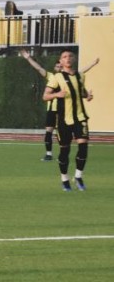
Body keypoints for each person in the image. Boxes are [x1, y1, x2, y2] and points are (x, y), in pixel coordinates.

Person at [21, 49, 99, 161]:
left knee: (65, 136)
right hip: (52, 110)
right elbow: (39, 68)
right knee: (48, 131)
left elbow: (77, 87)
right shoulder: (52, 76)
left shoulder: (70, 76)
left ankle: (63, 155)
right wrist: (28, 58)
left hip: (65, 111)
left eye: (60, 67)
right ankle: (49, 153)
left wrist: (87, 95)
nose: (59, 68)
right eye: (57, 67)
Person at [42, 49, 93, 191]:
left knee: (83, 146)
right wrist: (57, 94)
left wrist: (87, 96)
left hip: (81, 117)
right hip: (64, 120)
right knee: (65, 150)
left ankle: (78, 176)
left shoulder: (81, 76)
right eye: (64, 57)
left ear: (74, 59)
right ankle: (64, 178)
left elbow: (81, 92)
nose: (68, 58)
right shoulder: (56, 77)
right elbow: (45, 96)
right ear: (61, 61)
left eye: (70, 56)